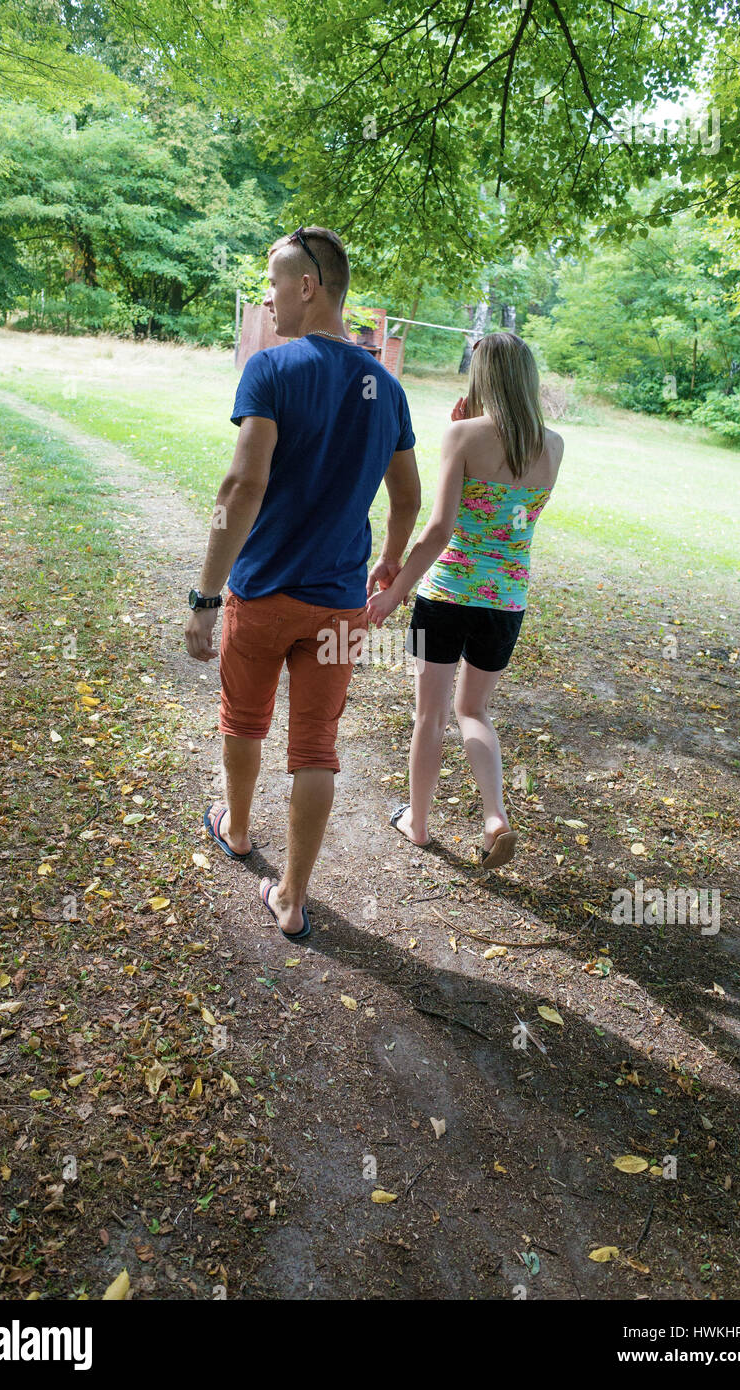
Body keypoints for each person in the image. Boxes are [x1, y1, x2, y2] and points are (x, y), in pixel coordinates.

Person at [184, 226, 420, 936]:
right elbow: (408, 497)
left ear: (307, 287)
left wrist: (203, 596)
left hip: (261, 593)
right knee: (315, 746)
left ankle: (239, 831)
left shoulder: (271, 368)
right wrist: (392, 564)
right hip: (340, 604)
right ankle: (291, 897)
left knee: (242, 722)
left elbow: (243, 481)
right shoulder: (390, 388)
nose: (267, 297)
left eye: (274, 284)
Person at [367, 331, 563, 870]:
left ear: (481, 379)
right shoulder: (554, 446)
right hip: (506, 601)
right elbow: (511, 523)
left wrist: (394, 592)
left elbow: (439, 530)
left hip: (448, 595)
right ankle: (494, 816)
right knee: (474, 710)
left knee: (429, 716)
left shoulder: (462, 435)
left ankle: (419, 824)